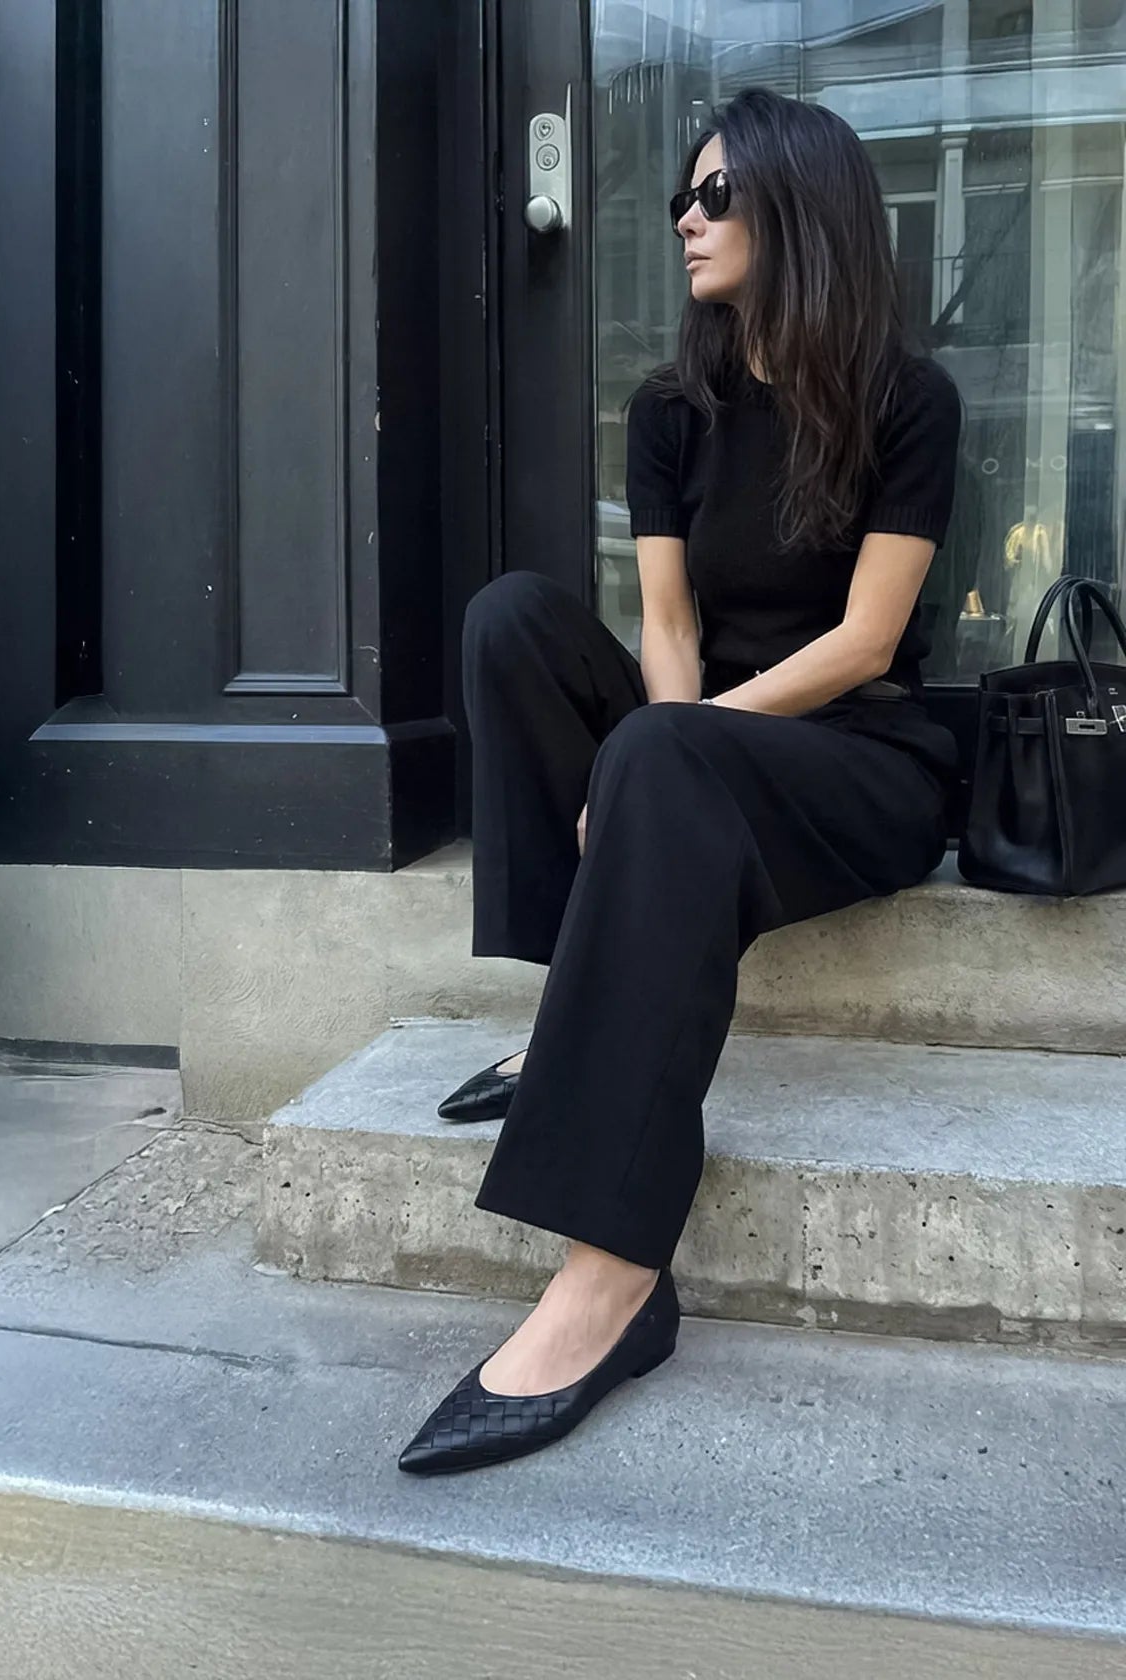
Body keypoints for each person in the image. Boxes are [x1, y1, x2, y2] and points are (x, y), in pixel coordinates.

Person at [398, 86, 962, 1476]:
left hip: (862, 754)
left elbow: (867, 640)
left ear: (800, 210)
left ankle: (614, 1278)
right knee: (512, 619)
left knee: (665, 744)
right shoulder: (675, 408)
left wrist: (674, 751)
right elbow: (666, 625)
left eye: (719, 197)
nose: (687, 220)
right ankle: (572, 1001)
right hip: (710, 733)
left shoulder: (906, 398)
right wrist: (661, 745)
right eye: (684, 199)